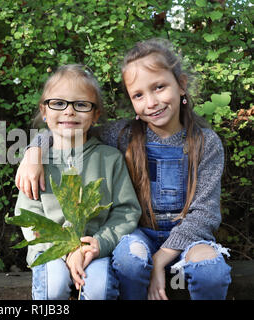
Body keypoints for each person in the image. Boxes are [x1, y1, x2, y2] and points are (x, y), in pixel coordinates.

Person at [15, 39, 232, 300]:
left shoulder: (206, 143)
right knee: (130, 262)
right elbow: (69, 131)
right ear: (131, 101)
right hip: (138, 234)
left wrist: (160, 260)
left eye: (159, 87)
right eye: (138, 95)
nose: (151, 102)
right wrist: (34, 150)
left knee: (212, 273)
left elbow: (205, 214)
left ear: (181, 84)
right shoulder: (124, 133)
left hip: (188, 238)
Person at [13, 64, 141, 300]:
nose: (69, 112)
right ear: (44, 110)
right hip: (50, 250)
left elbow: (126, 211)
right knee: (54, 288)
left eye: (81, 104)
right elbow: (28, 215)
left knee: (100, 289)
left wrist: (98, 244)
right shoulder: (37, 163)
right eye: (58, 103)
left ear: (96, 114)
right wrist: (66, 251)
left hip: (96, 250)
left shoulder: (110, 159)